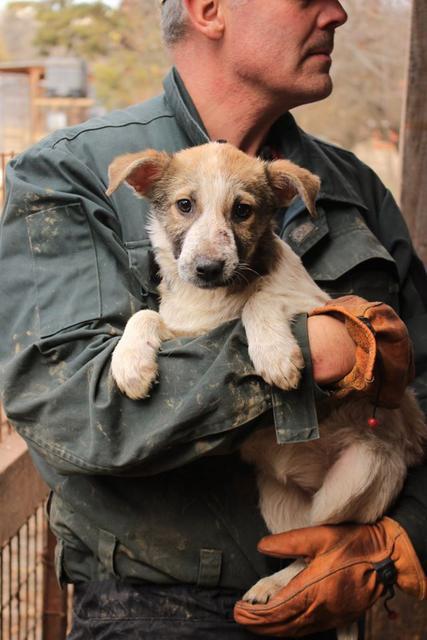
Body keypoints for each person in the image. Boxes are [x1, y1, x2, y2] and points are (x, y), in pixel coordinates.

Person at [0, 1, 426, 638]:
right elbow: (70, 413)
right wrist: (315, 353)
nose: (337, 14)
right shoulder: (72, 173)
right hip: (148, 613)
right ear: (209, 9)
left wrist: (402, 535)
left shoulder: (351, 187)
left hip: (330, 596)